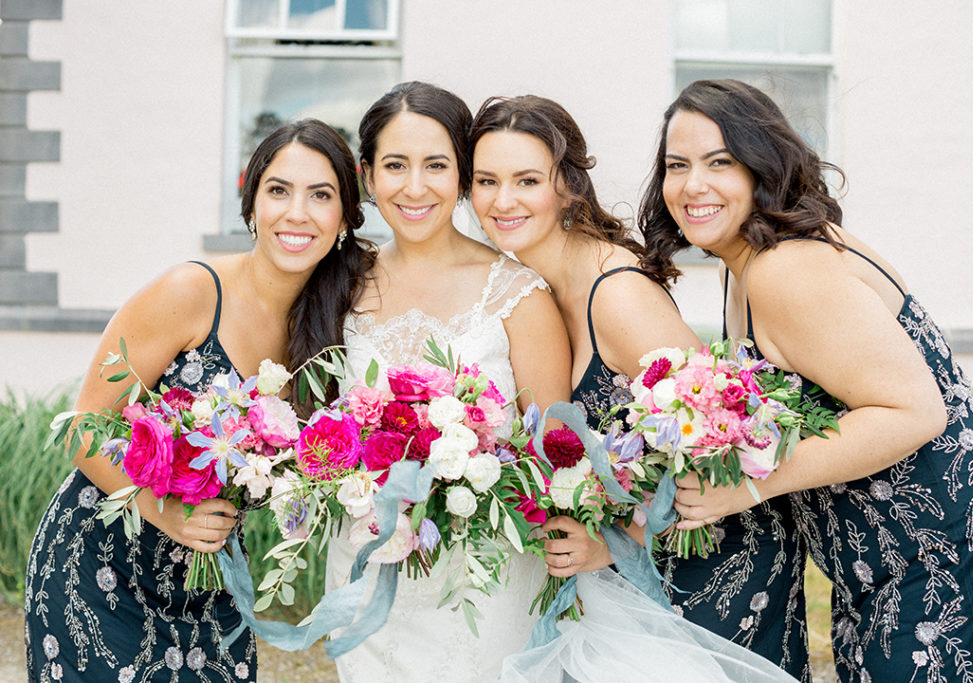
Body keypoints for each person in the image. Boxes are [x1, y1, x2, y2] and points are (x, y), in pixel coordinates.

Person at [642, 78, 973, 683]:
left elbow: (915, 412)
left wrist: (746, 485)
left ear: (762, 167)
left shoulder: (784, 269)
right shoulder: (750, 262)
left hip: (946, 552)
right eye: (677, 165)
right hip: (887, 559)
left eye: (721, 162)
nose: (693, 185)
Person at [24, 118, 373, 682]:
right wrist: (165, 511)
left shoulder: (337, 327)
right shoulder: (191, 293)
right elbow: (83, 426)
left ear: (343, 219)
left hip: (210, 587)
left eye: (321, 195)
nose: (297, 212)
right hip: (97, 567)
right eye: (278, 190)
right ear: (251, 204)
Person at [469, 94, 798, 683]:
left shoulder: (615, 293)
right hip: (633, 580)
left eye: (526, 180)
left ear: (567, 186)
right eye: (486, 180)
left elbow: (725, 436)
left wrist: (619, 539)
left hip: (712, 572)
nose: (503, 200)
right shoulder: (531, 288)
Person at [323, 81, 571, 682]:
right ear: (367, 174)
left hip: (484, 576)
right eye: (395, 165)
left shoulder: (516, 294)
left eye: (436, 165)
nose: (414, 187)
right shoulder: (336, 286)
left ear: (463, 176)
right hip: (367, 564)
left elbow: (558, 454)